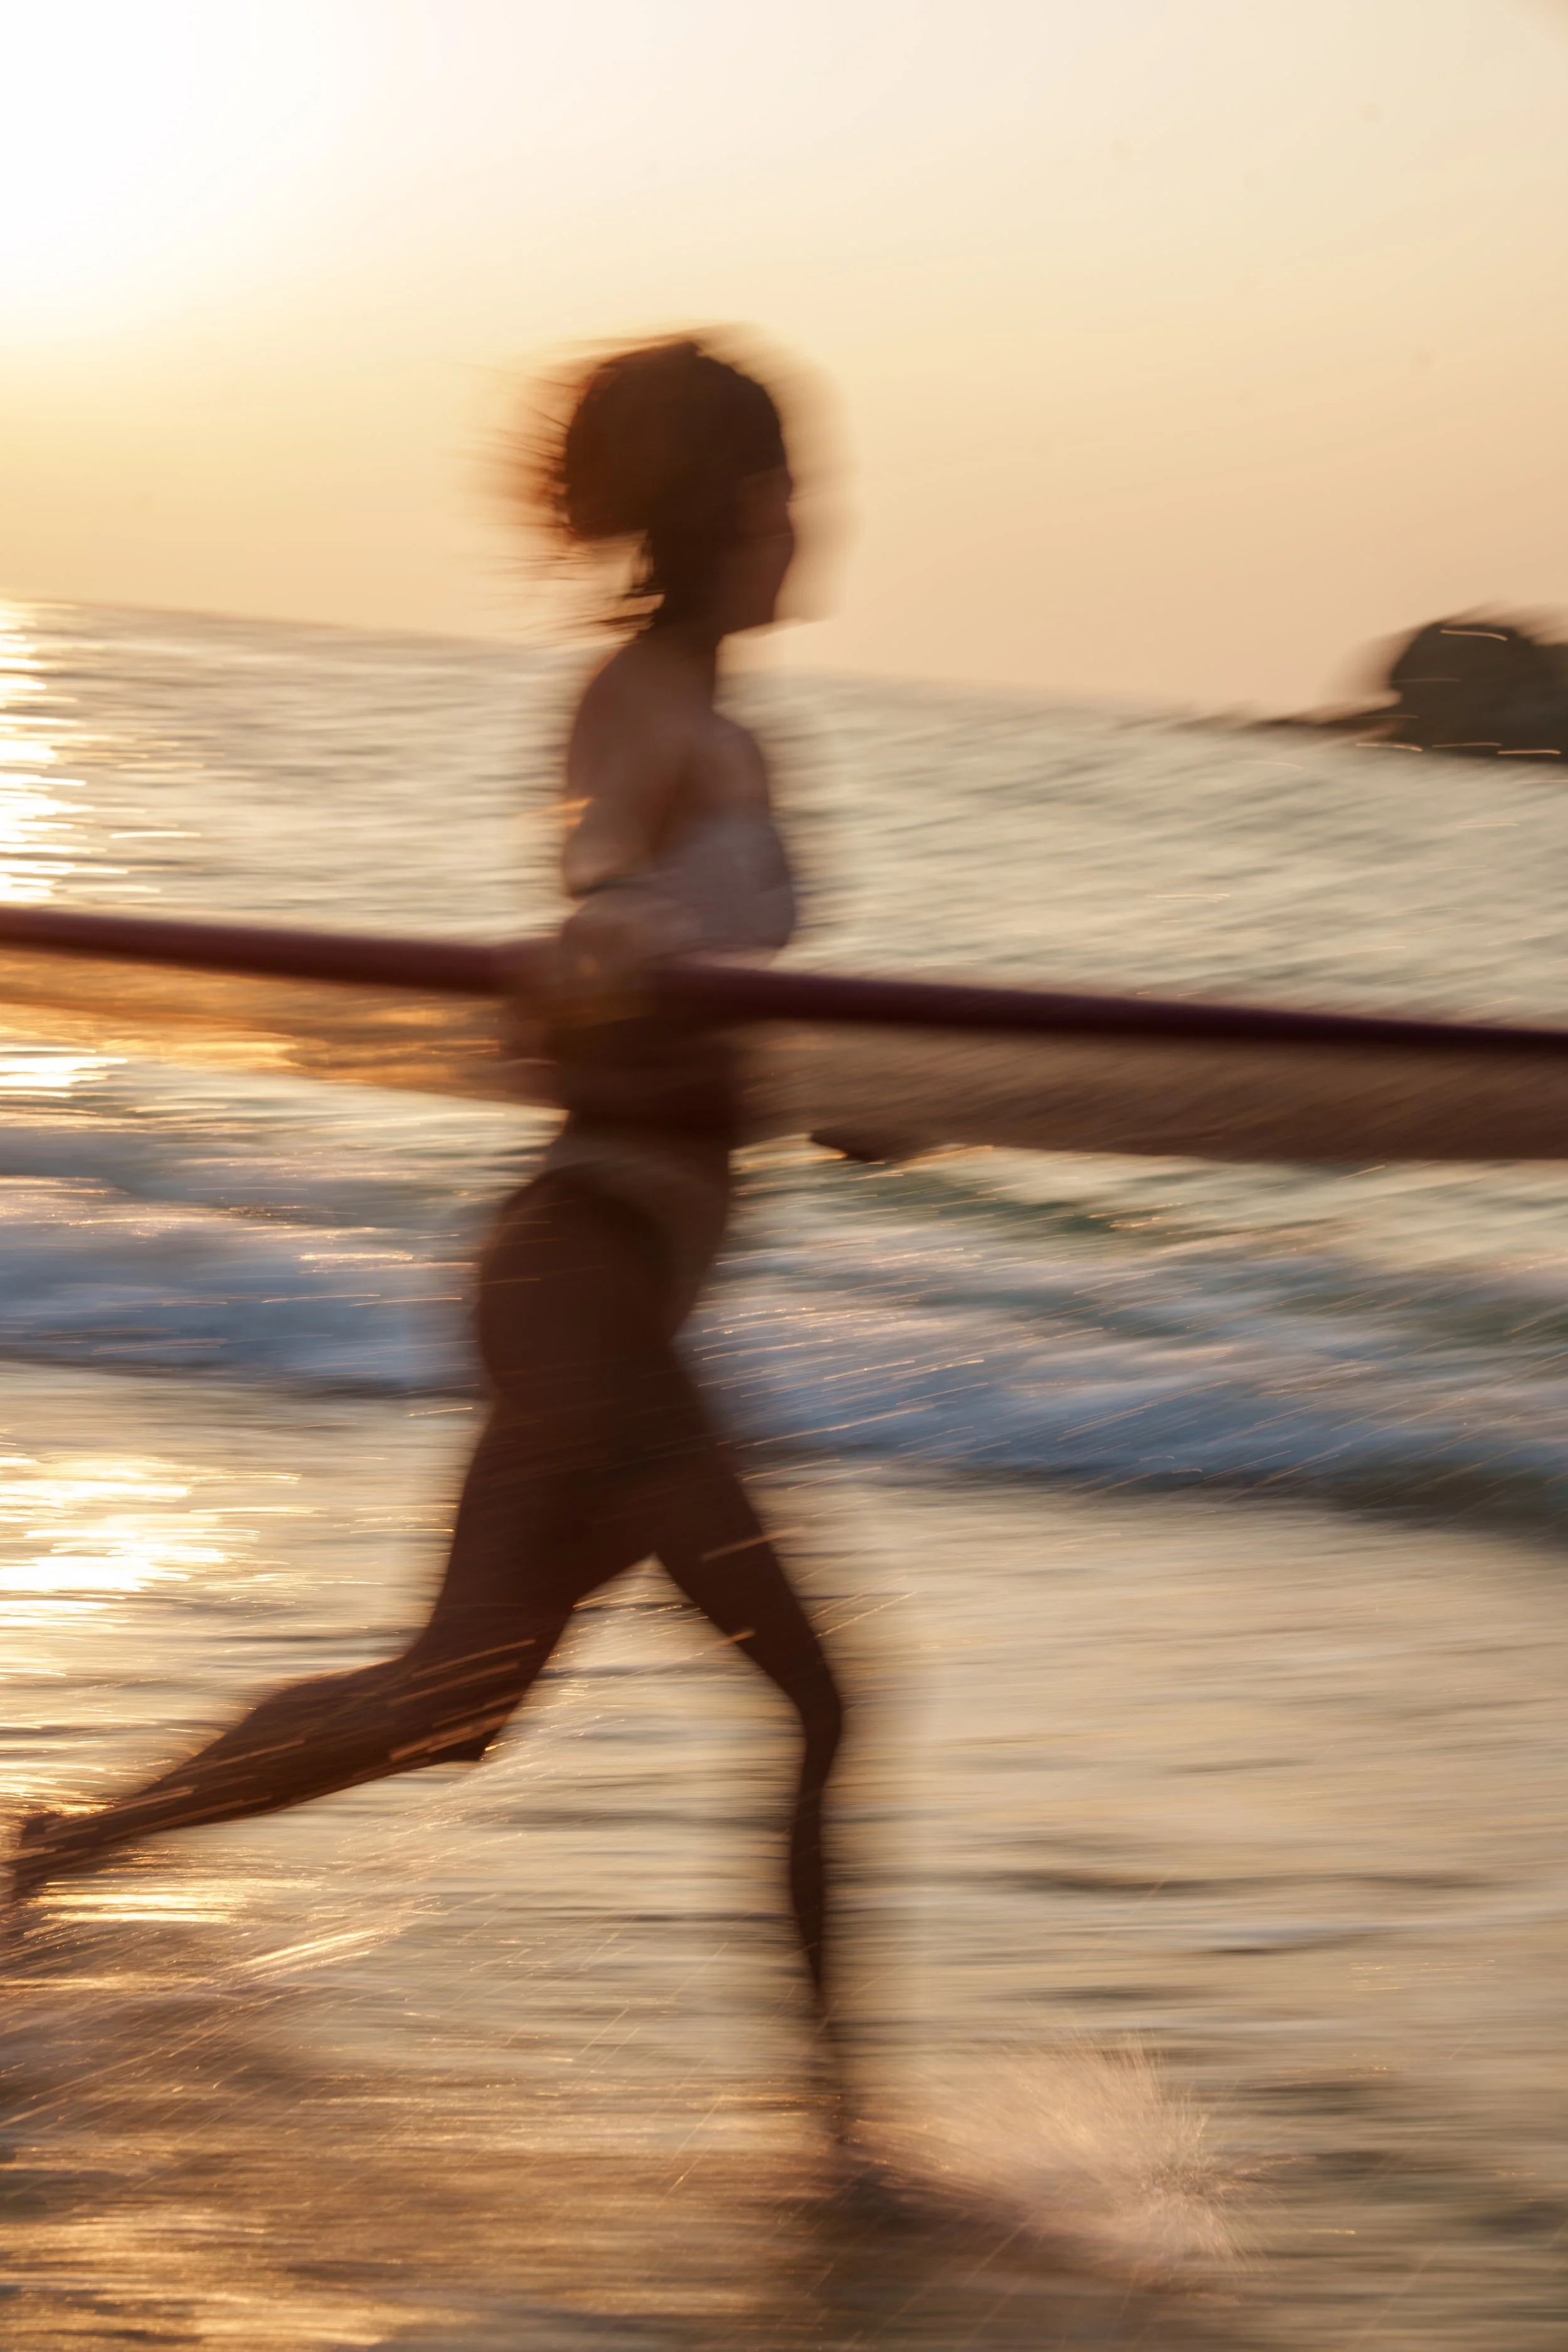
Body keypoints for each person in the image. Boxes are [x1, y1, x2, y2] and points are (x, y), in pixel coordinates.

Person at [10, 338, 847, 2067]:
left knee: (449, 1703)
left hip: (614, 1289)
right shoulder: (640, 700)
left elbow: (741, 1041)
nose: (810, 523)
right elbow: (602, 862)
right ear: (720, 505)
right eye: (787, 489)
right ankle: (845, 2160)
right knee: (831, 1697)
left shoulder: (754, 748)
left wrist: (884, 1104)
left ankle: (54, 1850)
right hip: (583, 1277)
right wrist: (608, 918)